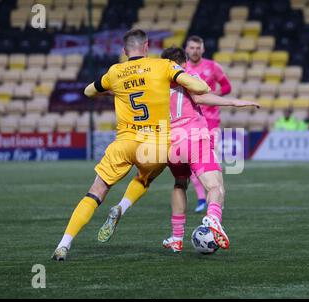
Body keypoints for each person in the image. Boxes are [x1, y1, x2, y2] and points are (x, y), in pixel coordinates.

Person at [51, 29, 211, 261]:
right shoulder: (163, 65)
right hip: (154, 146)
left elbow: (88, 91)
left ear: (125, 51)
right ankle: (122, 207)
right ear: (146, 46)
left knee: (95, 192)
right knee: (146, 178)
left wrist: (113, 92)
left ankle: (64, 244)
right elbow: (200, 88)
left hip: (124, 143)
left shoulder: (115, 71)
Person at [97, 47, 260, 252]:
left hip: (170, 143)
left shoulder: (154, 82)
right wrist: (234, 103)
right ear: (183, 64)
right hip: (193, 138)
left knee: (180, 183)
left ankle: (176, 237)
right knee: (216, 187)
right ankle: (212, 218)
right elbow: (200, 97)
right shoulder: (188, 75)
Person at [185, 35, 232, 213]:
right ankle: (201, 199)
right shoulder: (182, 69)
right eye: (192, 48)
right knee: (191, 163)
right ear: (187, 49)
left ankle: (218, 195)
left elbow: (227, 87)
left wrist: (213, 97)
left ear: (203, 49)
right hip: (191, 123)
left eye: (198, 47)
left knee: (212, 160)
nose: (195, 51)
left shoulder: (212, 67)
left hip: (211, 122)